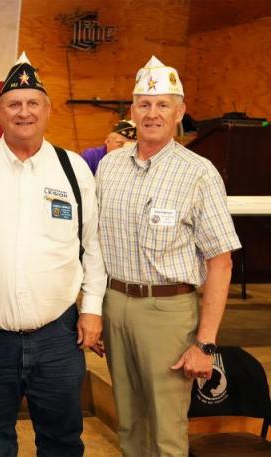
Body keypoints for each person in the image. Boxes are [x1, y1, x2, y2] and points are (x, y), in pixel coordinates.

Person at [0, 52, 107, 457]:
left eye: (32, 103)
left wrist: (92, 310)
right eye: (14, 104)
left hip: (59, 337)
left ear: (47, 110)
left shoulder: (73, 168)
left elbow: (93, 245)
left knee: (62, 442)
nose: (23, 112)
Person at [96, 56, 241, 456]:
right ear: (132, 111)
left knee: (165, 431)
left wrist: (205, 343)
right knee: (129, 424)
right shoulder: (109, 167)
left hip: (168, 314)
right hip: (115, 304)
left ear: (180, 112)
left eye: (163, 105)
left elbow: (220, 262)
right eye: (144, 104)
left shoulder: (199, 173)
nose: (152, 113)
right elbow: (94, 245)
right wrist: (94, 310)